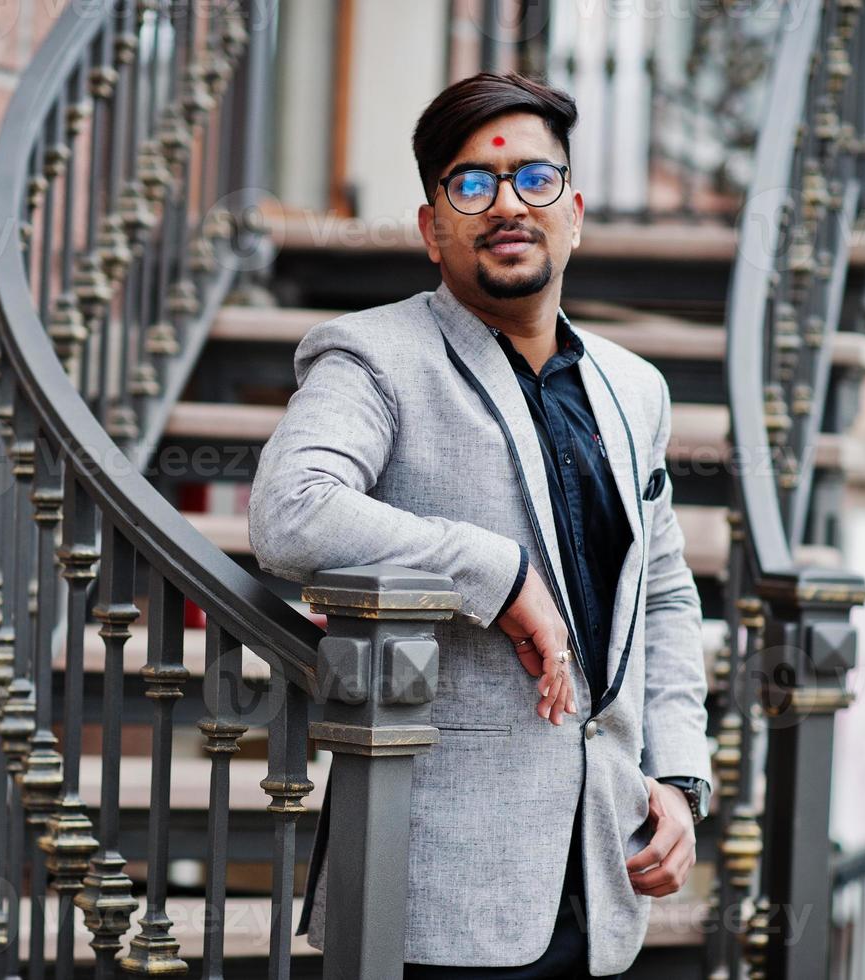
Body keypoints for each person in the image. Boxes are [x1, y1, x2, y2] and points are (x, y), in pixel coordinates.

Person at [247, 71, 712, 978]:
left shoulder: (634, 388)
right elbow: (291, 511)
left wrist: (681, 778)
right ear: (431, 229)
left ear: (572, 212)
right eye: (470, 184)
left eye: (534, 180)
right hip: (435, 888)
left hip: (603, 864)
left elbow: (660, 593)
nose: (507, 205)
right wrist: (490, 572)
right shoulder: (373, 355)